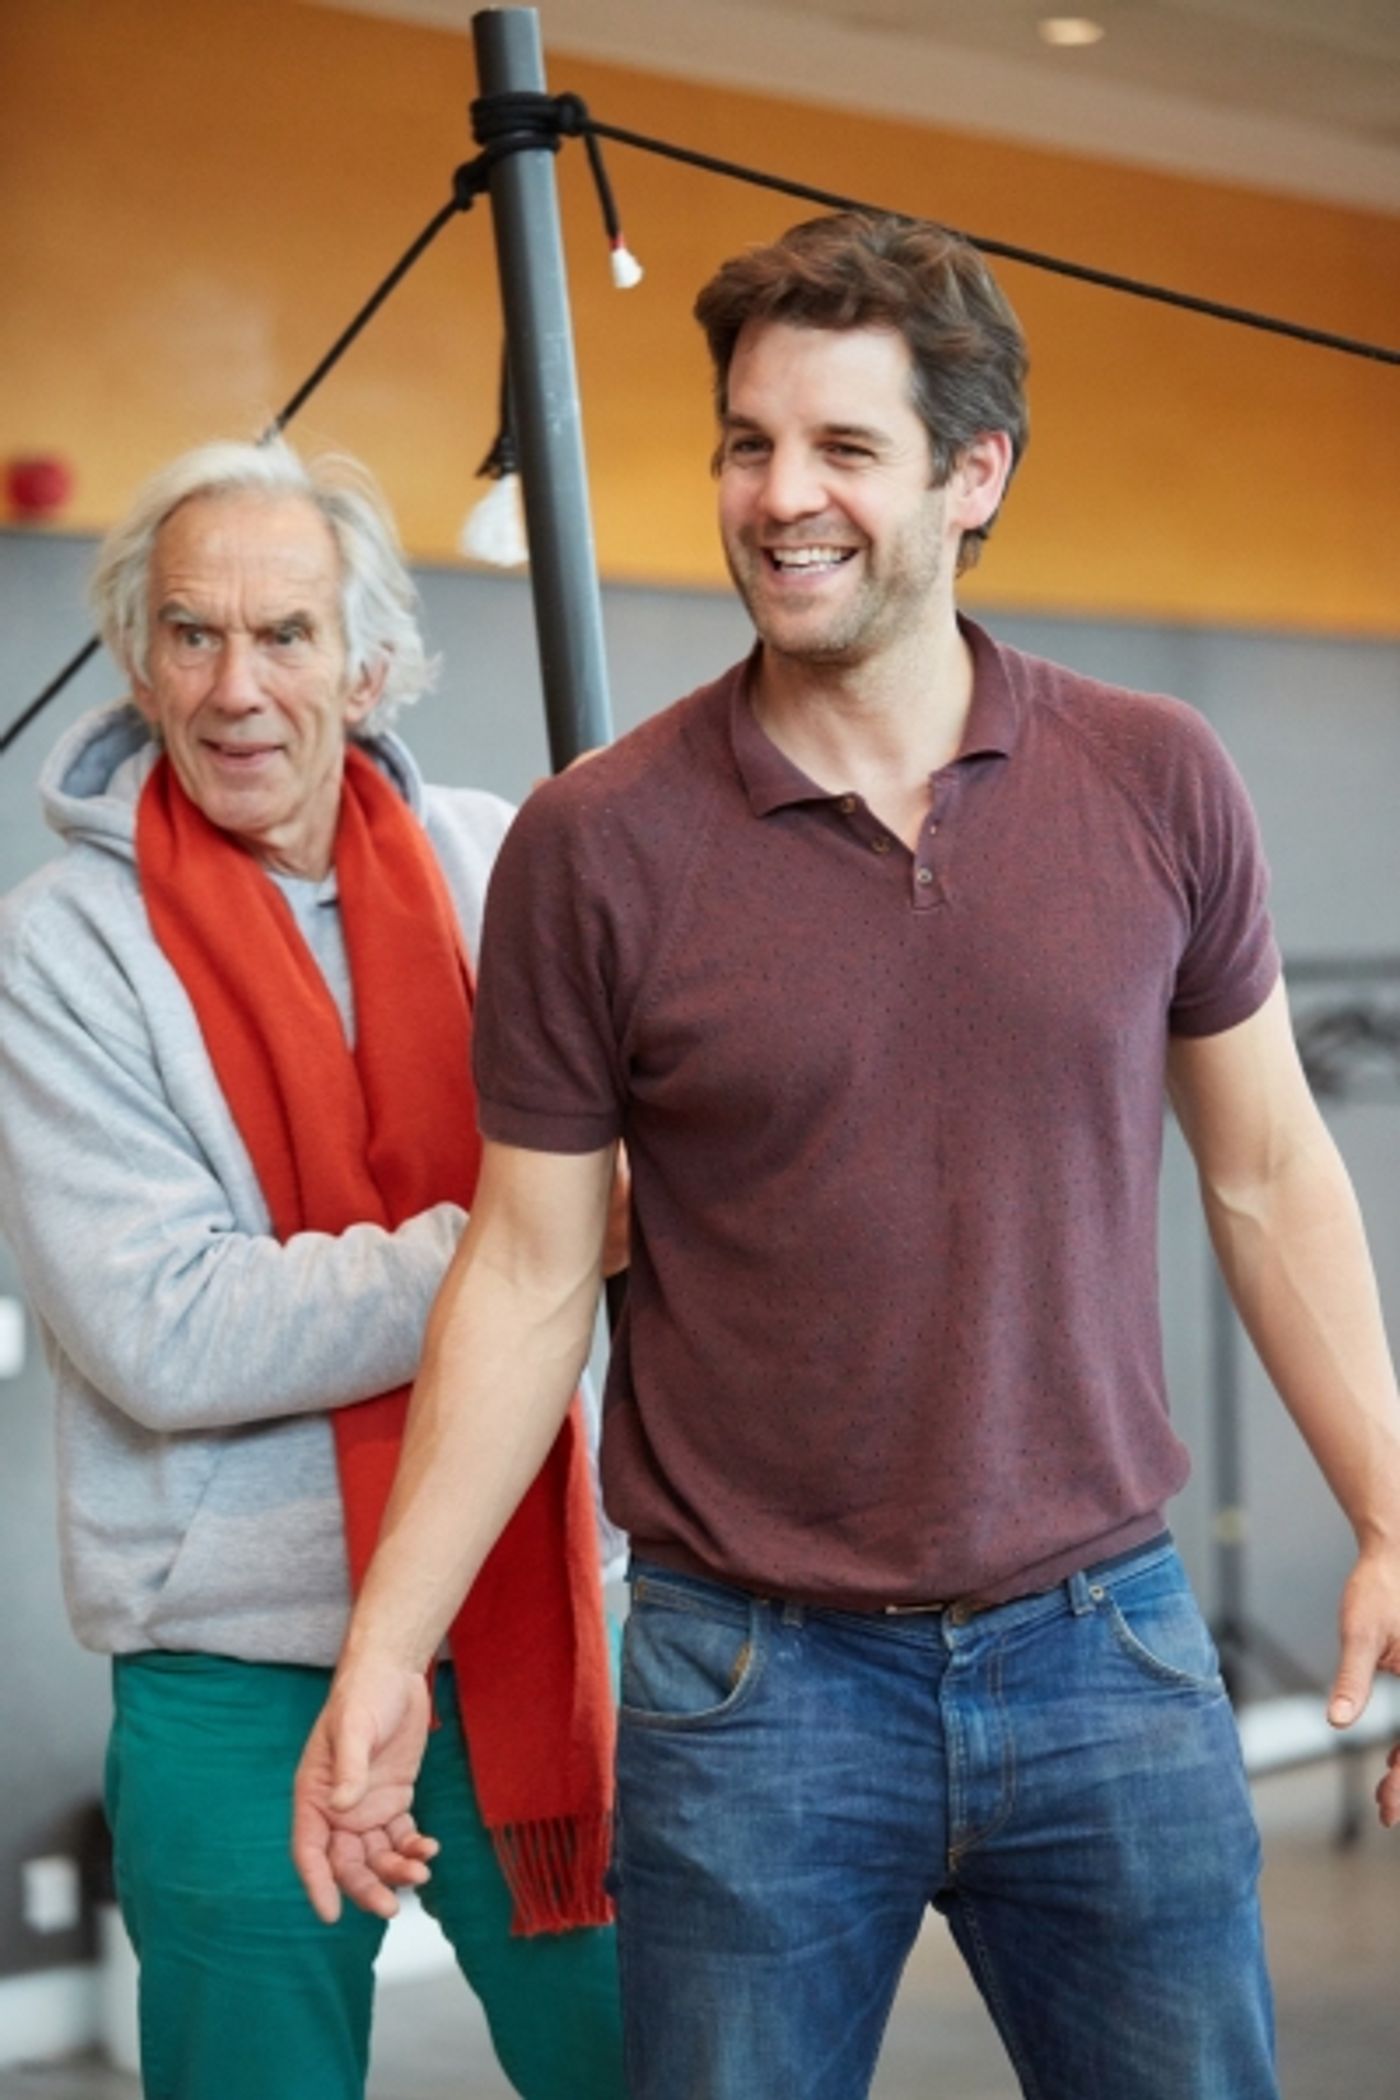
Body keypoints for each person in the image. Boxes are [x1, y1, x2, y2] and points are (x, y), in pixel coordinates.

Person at [291, 214, 1400, 2100]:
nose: (778, 497)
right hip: (751, 1690)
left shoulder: (1156, 779)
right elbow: (533, 1267)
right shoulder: (597, 845)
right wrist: (386, 1650)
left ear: (976, 475)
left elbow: (1269, 1172)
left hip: (1108, 1656)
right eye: (746, 442)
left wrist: (1389, 1508)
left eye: (841, 449)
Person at [0, 438, 627, 2100]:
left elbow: (671, 1191)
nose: (237, 686)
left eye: (286, 633)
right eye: (192, 635)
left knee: (657, 2064)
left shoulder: (512, 866)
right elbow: (167, 1330)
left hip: (538, 1620)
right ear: (138, 661)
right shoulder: (64, 945)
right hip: (234, 1676)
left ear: (367, 656)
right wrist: (523, 1243)